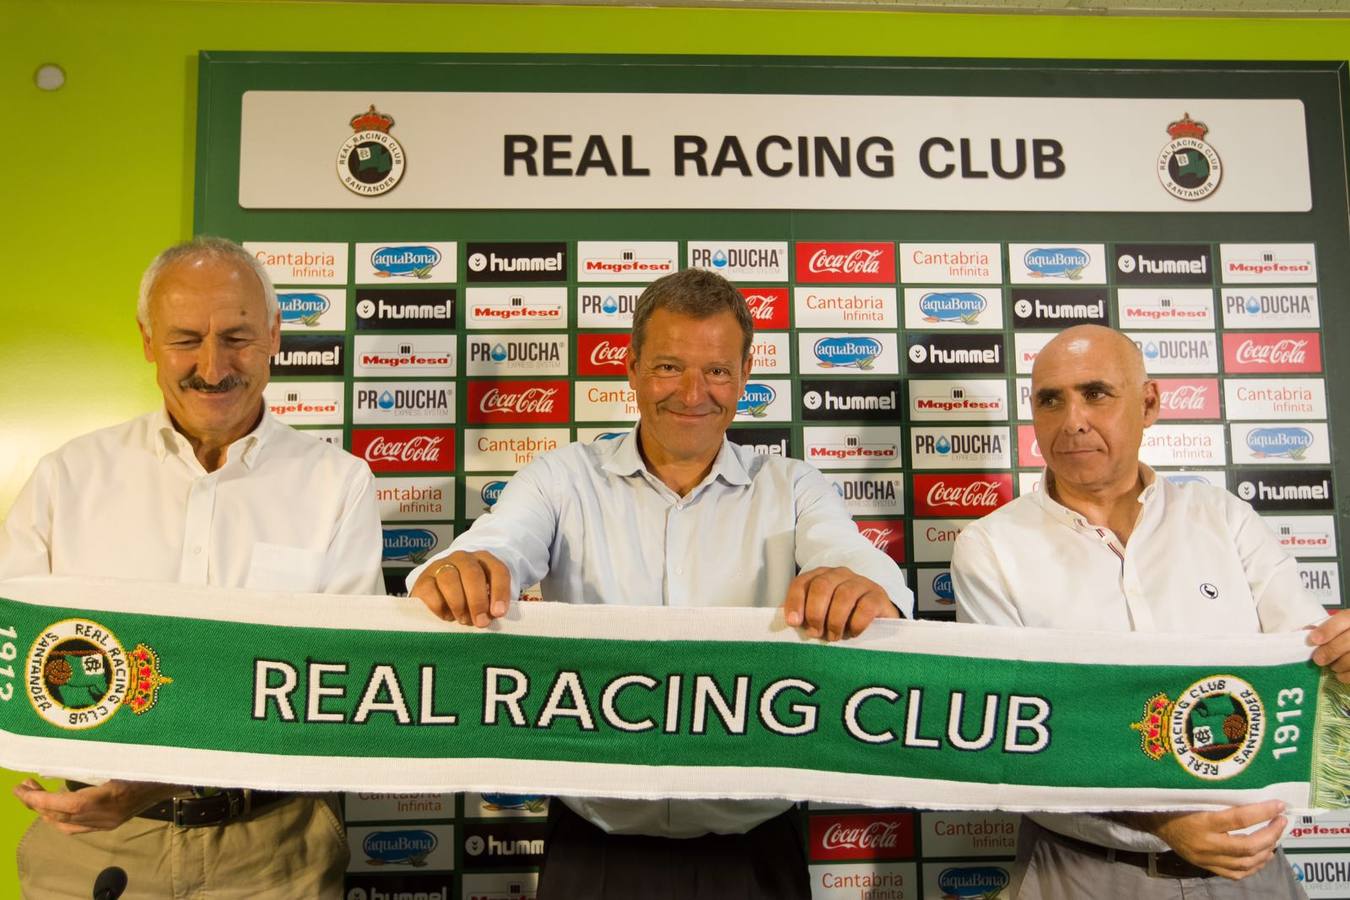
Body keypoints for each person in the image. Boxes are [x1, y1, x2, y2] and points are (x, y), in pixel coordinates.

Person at [409, 267, 913, 900]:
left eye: (718, 371)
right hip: (595, 846)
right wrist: (472, 568)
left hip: (754, 850)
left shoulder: (792, 485)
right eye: (670, 367)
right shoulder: (563, 477)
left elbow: (857, 564)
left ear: (745, 374)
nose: (694, 393)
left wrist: (860, 587)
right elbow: (499, 543)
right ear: (632, 368)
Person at [0, 236, 383, 899]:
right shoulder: (69, 476)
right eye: (185, 340)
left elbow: (342, 685)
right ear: (148, 342)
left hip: (274, 853)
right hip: (90, 853)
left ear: (274, 336)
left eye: (236, 336)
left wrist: (153, 777)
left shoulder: (337, 485)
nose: (212, 367)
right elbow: (16, 658)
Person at [951, 324, 1350, 899]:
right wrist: (1157, 820)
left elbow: (1310, 671)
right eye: (1050, 399)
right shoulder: (990, 545)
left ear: (1150, 402)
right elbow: (1011, 743)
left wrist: (1341, 660)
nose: (1073, 420)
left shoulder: (1224, 517)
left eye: (1096, 393)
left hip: (1250, 871)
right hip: (1079, 872)